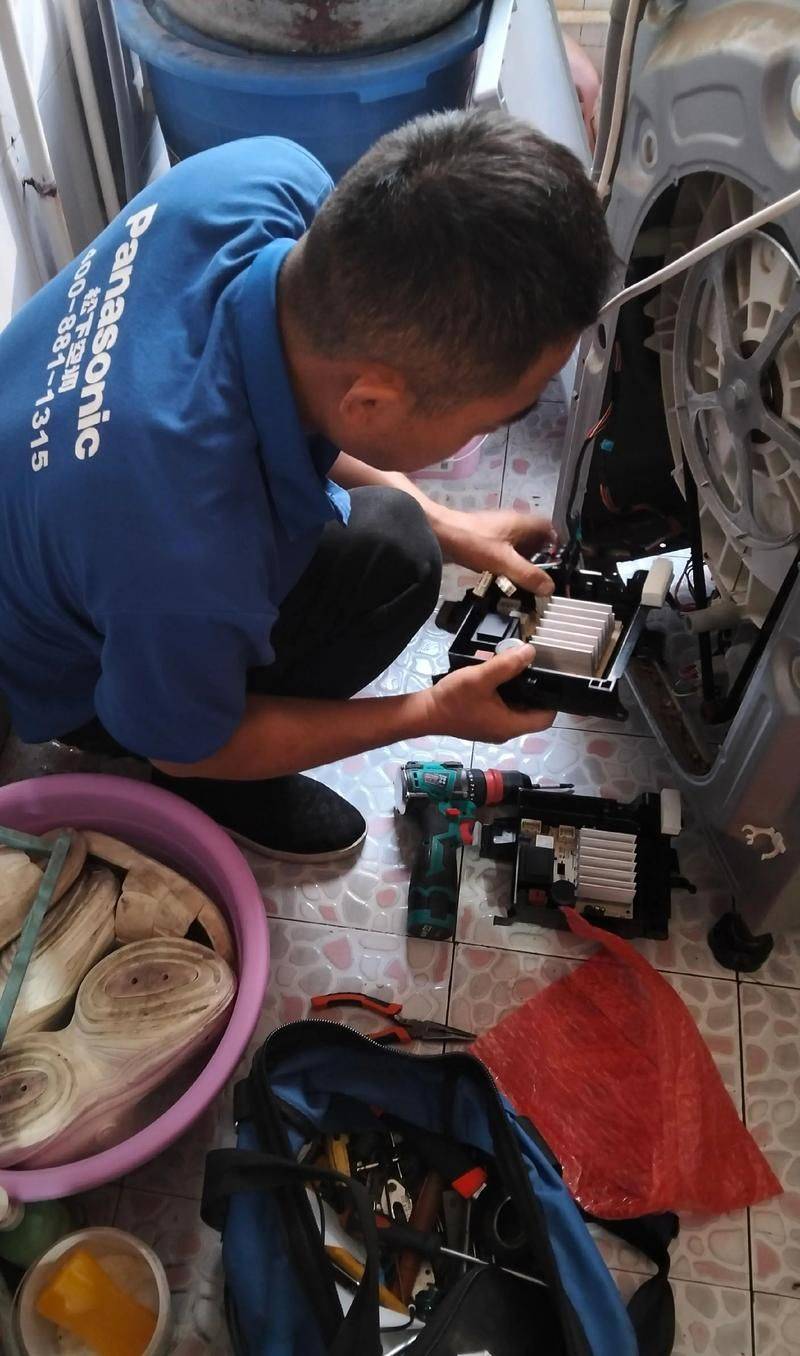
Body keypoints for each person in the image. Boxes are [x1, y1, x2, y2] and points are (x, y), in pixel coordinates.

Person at [0, 109, 612, 860]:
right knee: (394, 565)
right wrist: (427, 712)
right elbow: (183, 747)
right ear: (373, 403)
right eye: (492, 416)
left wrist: (447, 519)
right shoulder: (186, 553)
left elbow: (292, 406)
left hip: (69, 512)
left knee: (406, 527)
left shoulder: (261, 176)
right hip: (70, 664)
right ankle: (217, 801)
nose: (487, 434)